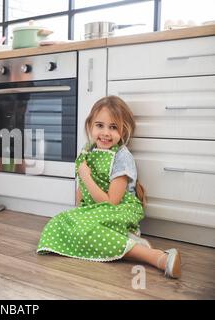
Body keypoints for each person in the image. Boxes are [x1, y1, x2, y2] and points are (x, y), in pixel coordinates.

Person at [37, 96, 182, 279]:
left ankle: (155, 256)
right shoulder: (87, 151)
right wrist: (79, 213)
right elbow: (81, 192)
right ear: (90, 125)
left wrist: (85, 176)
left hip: (119, 208)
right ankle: (126, 240)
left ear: (123, 130)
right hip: (95, 209)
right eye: (100, 125)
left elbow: (111, 202)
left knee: (83, 228)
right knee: (58, 223)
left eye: (113, 127)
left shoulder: (122, 157)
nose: (105, 133)